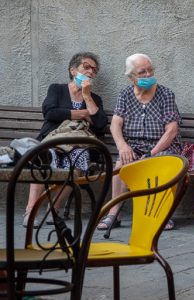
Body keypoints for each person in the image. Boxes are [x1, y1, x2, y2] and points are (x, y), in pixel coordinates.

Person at [97, 53, 181, 231]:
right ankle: (114, 213)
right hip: (134, 145)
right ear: (131, 77)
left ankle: (162, 213)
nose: (148, 75)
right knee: (121, 165)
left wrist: (152, 153)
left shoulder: (165, 94)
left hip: (162, 145)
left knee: (163, 163)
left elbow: (172, 130)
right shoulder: (126, 94)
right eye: (142, 72)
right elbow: (115, 125)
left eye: (151, 70)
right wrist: (122, 146)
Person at [23, 52, 108, 227]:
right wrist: (83, 114)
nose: (91, 71)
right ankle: (31, 211)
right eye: (86, 67)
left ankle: (53, 209)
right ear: (73, 70)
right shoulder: (57, 89)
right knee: (42, 157)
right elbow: (50, 112)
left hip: (79, 144)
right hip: (53, 139)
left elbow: (100, 124)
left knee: (79, 157)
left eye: (94, 69)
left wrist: (87, 96)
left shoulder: (94, 98)